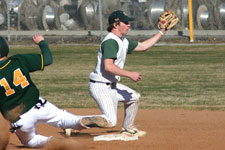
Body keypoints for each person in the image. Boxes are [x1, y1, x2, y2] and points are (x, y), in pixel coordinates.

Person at [0, 34, 108, 148]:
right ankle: (80, 121)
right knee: (63, 118)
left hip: (20, 119)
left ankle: (53, 142)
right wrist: (42, 42)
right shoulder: (18, 60)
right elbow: (47, 59)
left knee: (30, 140)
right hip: (40, 105)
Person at [88, 10, 167, 137]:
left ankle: (127, 128)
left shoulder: (123, 41)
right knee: (110, 121)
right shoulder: (110, 42)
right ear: (116, 25)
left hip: (111, 85)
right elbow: (108, 67)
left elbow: (143, 46)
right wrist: (130, 74)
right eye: (125, 22)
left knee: (134, 97)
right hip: (100, 86)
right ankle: (72, 123)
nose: (129, 25)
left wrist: (162, 32)